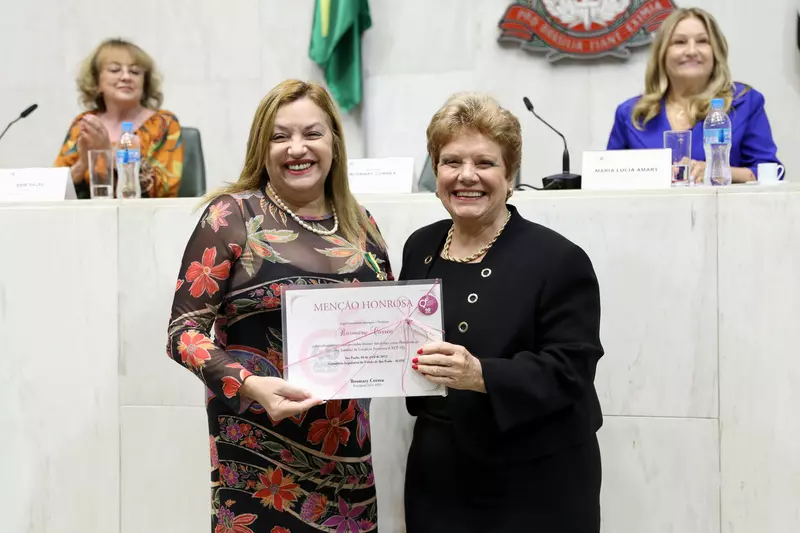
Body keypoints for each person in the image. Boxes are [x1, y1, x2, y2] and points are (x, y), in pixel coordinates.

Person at [167, 80, 389, 532]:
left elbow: (384, 327)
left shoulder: (363, 225)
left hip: (347, 463)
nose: (297, 148)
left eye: (312, 133)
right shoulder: (232, 216)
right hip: (257, 464)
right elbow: (183, 334)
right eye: (280, 135)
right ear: (261, 146)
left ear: (334, 143)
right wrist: (249, 385)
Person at [399, 92, 604, 532]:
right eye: (451, 161)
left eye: (485, 163)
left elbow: (572, 369)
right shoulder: (420, 247)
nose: (466, 176)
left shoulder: (558, 258)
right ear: (435, 171)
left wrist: (481, 375)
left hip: (535, 482)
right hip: (439, 478)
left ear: (510, 175)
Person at [607, 7, 782, 183]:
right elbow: (606, 178)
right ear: (662, 53)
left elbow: (771, 172)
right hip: (647, 210)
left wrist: (716, 171)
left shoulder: (744, 102)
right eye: (680, 42)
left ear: (715, 52)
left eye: (702, 41)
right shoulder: (631, 114)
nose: (691, 51)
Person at [55, 38, 183, 198]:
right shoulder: (85, 125)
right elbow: (55, 189)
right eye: (115, 70)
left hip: (148, 218)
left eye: (135, 72)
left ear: (145, 82)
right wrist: (82, 164)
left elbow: (162, 189)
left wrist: (108, 152)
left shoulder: (164, 123)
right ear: (97, 82)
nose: (126, 77)